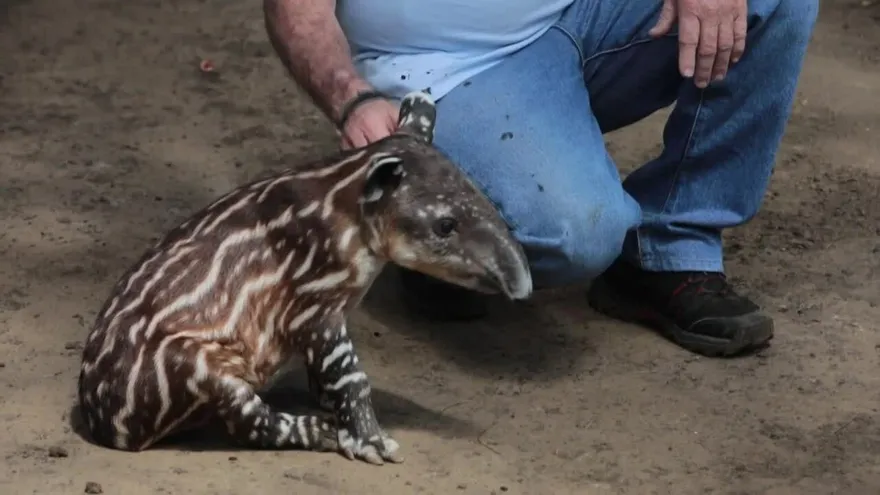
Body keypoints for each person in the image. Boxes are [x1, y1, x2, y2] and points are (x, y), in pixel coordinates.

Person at [263, 0, 819, 357]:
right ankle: (431, 225)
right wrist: (351, 98)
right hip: (442, 66)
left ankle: (668, 249)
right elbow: (297, 11)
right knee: (578, 235)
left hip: (583, 14)